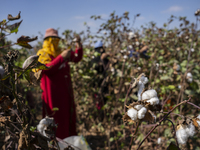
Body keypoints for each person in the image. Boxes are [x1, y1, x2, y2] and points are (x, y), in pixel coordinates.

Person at [36, 28, 83, 139]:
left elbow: (77, 58)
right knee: (55, 119)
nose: (55, 43)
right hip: (52, 96)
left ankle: (67, 141)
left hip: (65, 95)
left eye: (57, 40)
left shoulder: (62, 52)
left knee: (66, 117)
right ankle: (55, 143)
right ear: (47, 41)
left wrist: (78, 44)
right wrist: (61, 57)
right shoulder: (42, 54)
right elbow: (47, 69)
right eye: (52, 40)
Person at [91, 41, 109, 110]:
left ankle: (100, 113)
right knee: (102, 100)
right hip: (101, 83)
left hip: (96, 83)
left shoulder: (93, 59)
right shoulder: (103, 59)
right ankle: (101, 114)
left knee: (98, 100)